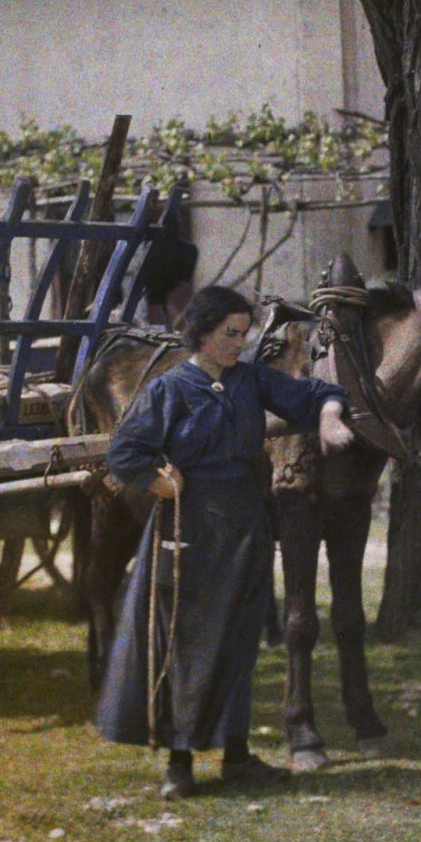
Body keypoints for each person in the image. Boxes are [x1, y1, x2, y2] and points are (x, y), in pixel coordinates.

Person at [96, 285, 355, 799]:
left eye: (244, 333)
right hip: (189, 531)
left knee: (238, 643)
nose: (238, 343)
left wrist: (328, 416)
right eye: (228, 334)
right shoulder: (170, 390)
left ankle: (236, 757)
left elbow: (316, 394)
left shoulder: (250, 381)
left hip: (245, 528)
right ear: (201, 333)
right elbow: (125, 453)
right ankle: (180, 763)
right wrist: (159, 482)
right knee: (188, 645)